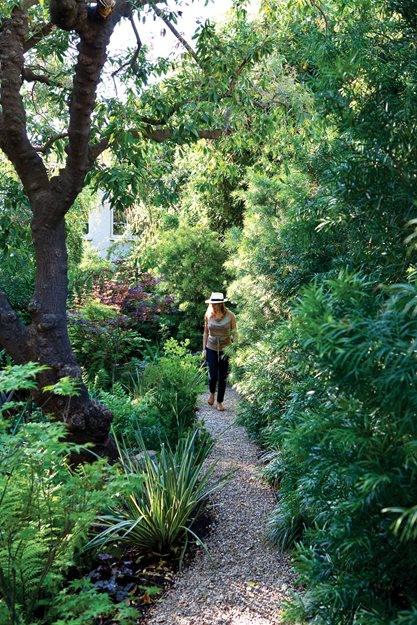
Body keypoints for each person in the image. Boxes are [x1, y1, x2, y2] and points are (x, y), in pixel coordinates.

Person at [202, 292, 237, 411]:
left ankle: (219, 401)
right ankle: (212, 393)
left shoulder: (230, 315)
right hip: (211, 347)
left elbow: (234, 332)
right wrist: (203, 349)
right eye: (212, 303)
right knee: (212, 375)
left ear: (221, 303)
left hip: (225, 348)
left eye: (215, 303)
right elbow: (206, 332)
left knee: (222, 377)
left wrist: (235, 347)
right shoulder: (208, 314)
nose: (213, 305)